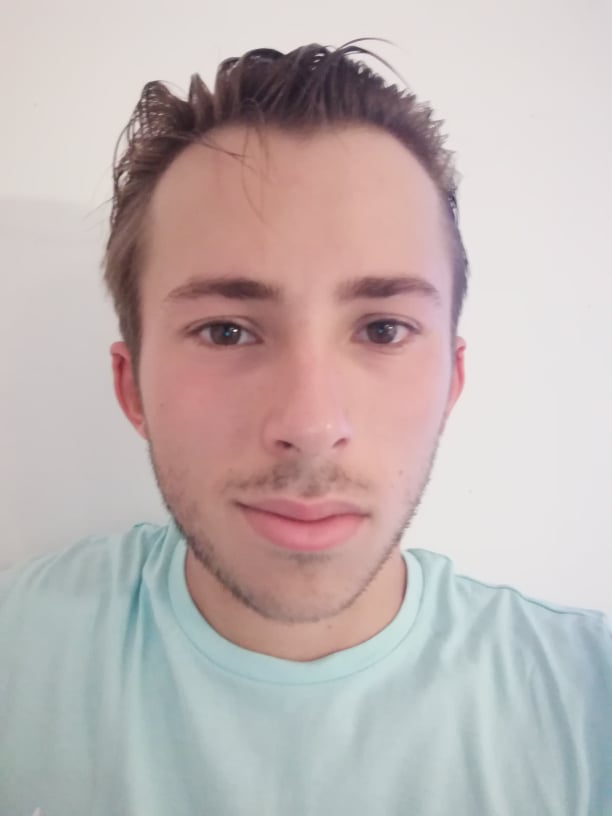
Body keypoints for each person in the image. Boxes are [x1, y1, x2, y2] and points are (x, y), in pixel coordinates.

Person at [1, 39, 610, 816]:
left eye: (383, 330)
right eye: (226, 331)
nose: (312, 425)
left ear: (450, 383)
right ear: (132, 388)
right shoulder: (18, 657)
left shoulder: (588, 701)